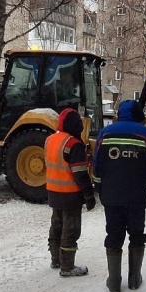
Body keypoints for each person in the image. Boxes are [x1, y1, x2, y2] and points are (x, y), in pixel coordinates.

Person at [92, 99, 146, 292]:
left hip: (112, 196)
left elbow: (97, 164)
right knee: (137, 235)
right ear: (139, 114)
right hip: (137, 197)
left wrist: (98, 185)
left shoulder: (105, 133)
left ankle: (114, 282)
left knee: (114, 236)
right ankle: (134, 279)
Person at [44, 107, 97, 277]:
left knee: (56, 227)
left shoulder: (50, 140)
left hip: (53, 192)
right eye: (79, 124)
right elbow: (80, 174)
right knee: (71, 230)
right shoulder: (73, 144)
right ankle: (67, 267)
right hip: (70, 195)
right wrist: (89, 196)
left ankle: (55, 259)